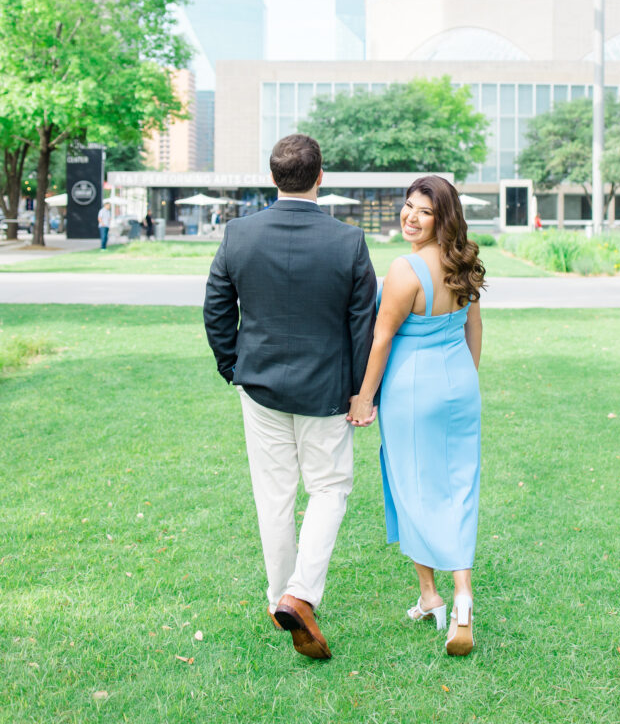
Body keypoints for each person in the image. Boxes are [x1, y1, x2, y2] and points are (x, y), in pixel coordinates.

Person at [204, 134, 376, 660]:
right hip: (326, 390)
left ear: (273, 177)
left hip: (261, 389)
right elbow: (362, 324)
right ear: (320, 176)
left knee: (273, 495)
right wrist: (359, 392)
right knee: (328, 489)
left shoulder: (238, 234)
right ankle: (299, 594)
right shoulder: (349, 241)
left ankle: (283, 595)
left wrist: (234, 367)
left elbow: (216, 309)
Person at [348, 175, 485, 657]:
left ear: (441, 218)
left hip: (413, 390)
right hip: (460, 385)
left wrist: (364, 398)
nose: (410, 216)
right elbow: (474, 328)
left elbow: (382, 339)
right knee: (459, 486)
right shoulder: (462, 263)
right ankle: (452, 598)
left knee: (413, 487)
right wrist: (463, 380)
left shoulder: (406, 269)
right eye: (408, 206)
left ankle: (435, 594)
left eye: (423, 211)